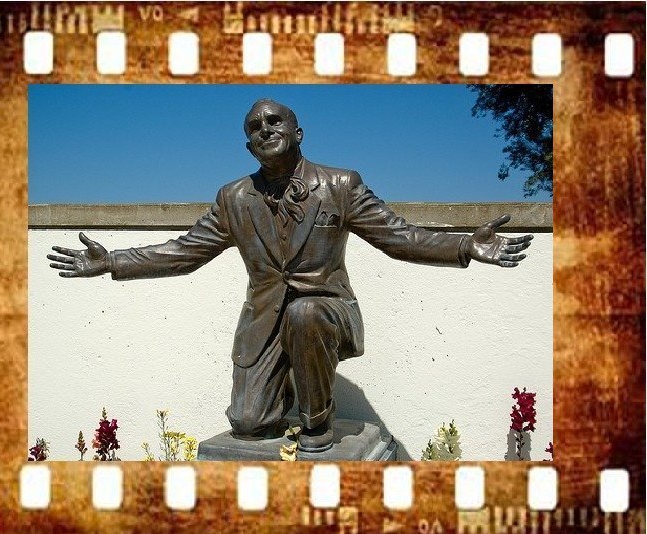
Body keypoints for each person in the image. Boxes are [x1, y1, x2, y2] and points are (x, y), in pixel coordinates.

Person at [47, 99, 533, 452]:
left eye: (274, 121)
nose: (265, 129)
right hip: (263, 323)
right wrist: (112, 262)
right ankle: (274, 395)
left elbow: (398, 236)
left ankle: (317, 423)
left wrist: (464, 245)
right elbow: (186, 251)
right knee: (249, 424)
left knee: (304, 312)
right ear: (248, 144)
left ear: (298, 133)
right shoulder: (233, 198)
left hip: (326, 312)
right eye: (254, 127)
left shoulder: (340, 185)